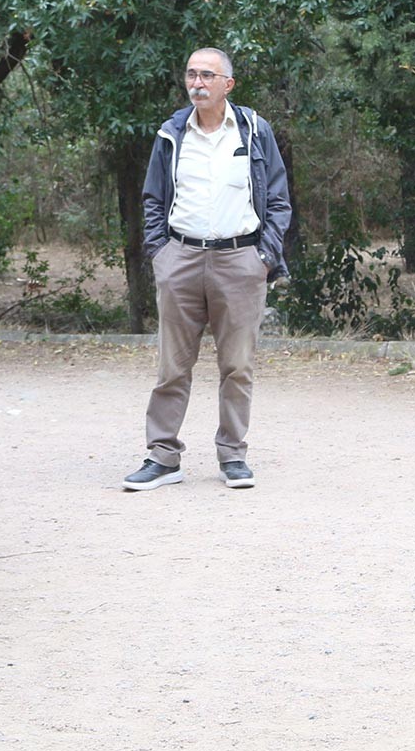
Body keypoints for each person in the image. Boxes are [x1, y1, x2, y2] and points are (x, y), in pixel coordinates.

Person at [123, 48, 292, 492]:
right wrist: (161, 253)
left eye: (207, 76)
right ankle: (162, 457)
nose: (197, 83)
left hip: (241, 261)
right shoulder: (171, 133)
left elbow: (278, 199)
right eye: (191, 74)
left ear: (227, 85)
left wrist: (264, 256)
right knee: (172, 366)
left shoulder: (255, 131)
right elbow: (153, 199)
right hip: (180, 258)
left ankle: (233, 455)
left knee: (237, 365)